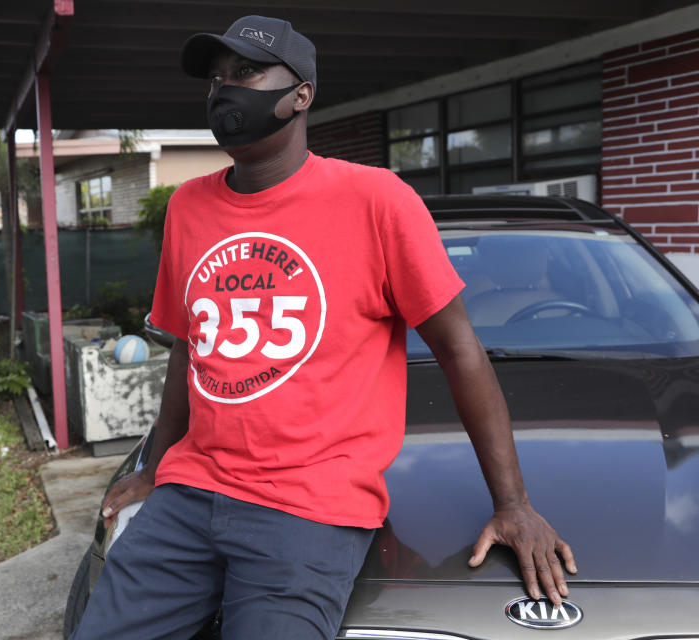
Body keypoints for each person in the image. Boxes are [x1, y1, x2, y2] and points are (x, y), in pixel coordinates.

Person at [71, 15, 577, 640]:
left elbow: (459, 351)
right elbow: (188, 346)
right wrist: (155, 461)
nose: (226, 91)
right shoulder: (188, 206)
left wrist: (513, 504)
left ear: (302, 93)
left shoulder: (378, 200)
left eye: (247, 72)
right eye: (216, 79)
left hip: (308, 510)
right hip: (190, 492)